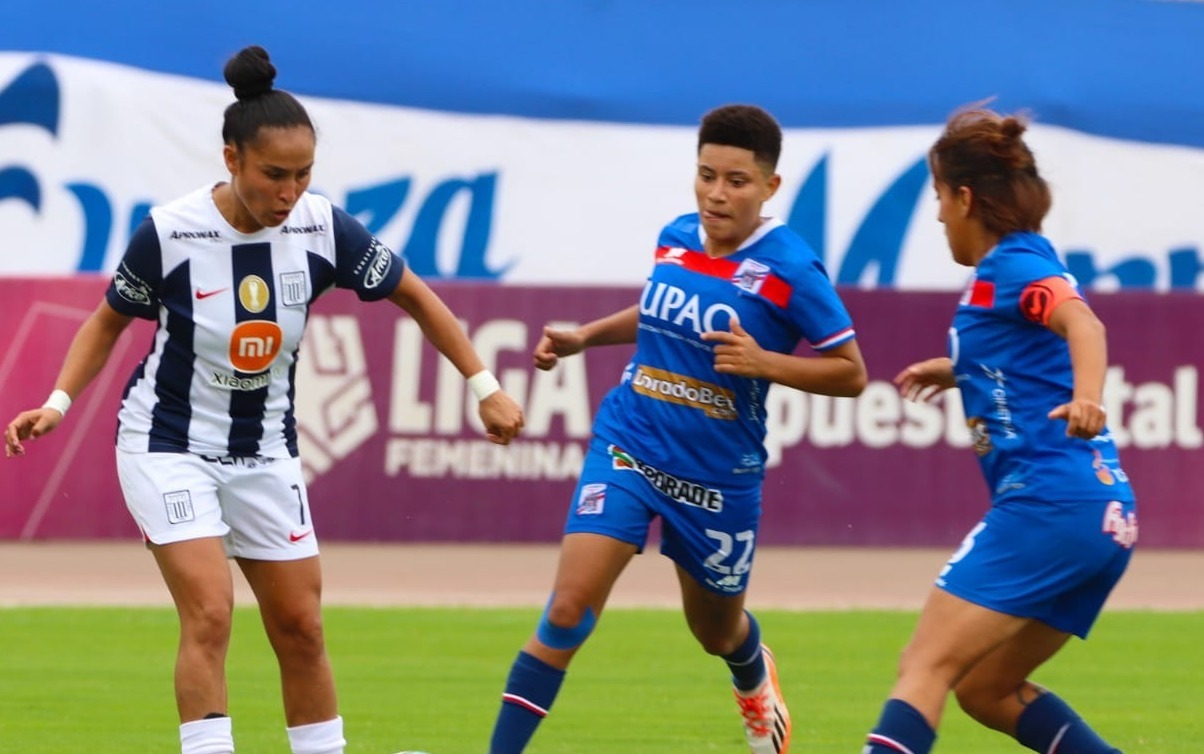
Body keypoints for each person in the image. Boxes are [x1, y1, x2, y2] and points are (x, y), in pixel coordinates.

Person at [4, 45, 524, 754]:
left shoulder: (323, 227)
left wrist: (484, 386)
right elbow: (106, 321)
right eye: (274, 175)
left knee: (302, 629)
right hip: (167, 444)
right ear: (232, 160)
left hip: (264, 451)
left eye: (304, 175)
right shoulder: (171, 231)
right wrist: (59, 402)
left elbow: (415, 295)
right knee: (212, 614)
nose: (290, 192)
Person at [486, 104, 867, 754]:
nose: (717, 193)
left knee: (716, 632)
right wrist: (586, 337)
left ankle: (753, 674)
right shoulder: (676, 235)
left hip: (716, 477)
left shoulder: (791, 268)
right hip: (630, 444)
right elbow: (660, 309)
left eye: (737, 181)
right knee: (567, 611)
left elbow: (851, 372)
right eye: (706, 175)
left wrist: (765, 362)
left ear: (771, 188)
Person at [859, 107, 1136, 754]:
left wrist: (1088, 398)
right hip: (1104, 513)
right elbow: (1025, 351)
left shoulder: (1012, 265)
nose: (935, 216)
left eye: (937, 197)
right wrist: (961, 369)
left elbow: (1083, 325)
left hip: (1048, 504)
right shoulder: (1005, 273)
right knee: (987, 687)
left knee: (923, 667)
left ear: (963, 197)